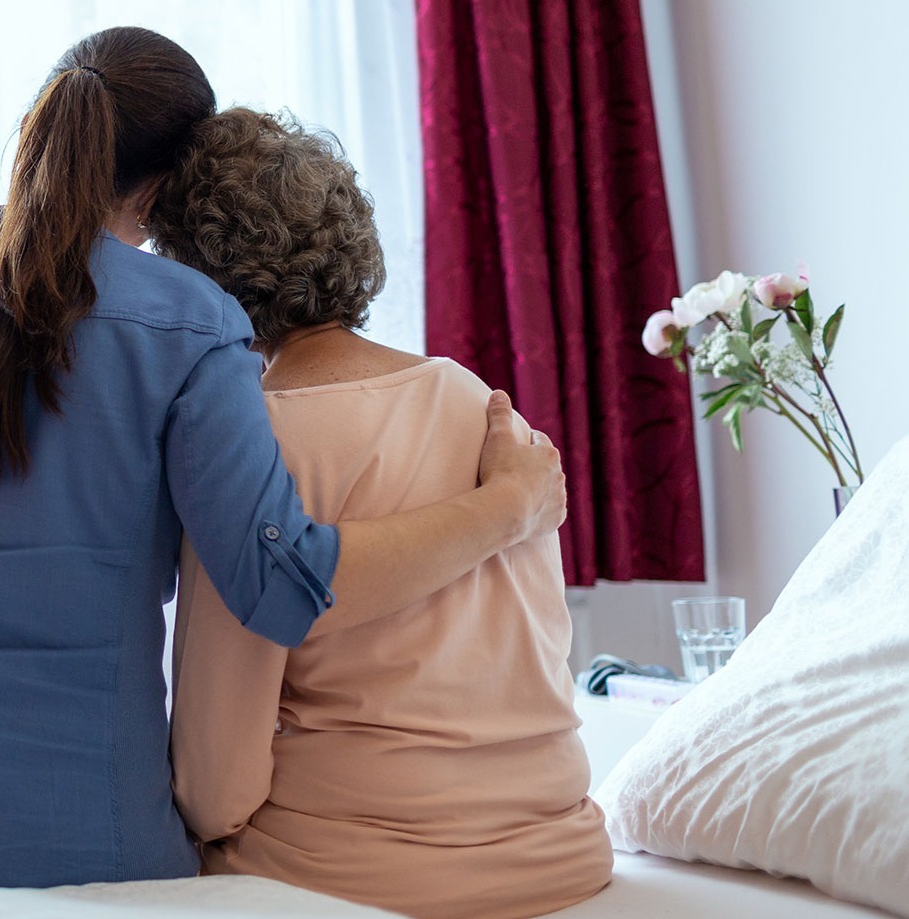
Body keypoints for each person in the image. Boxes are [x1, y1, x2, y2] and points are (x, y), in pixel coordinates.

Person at [0, 30, 567, 902]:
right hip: (90, 848)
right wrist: (506, 506)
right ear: (166, 193)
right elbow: (281, 586)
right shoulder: (197, 325)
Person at [153, 108, 611, 919]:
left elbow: (216, 786)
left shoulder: (247, 446)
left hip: (361, 872)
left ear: (197, 279)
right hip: (561, 851)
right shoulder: (483, 403)